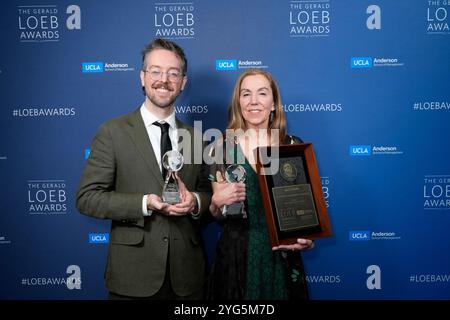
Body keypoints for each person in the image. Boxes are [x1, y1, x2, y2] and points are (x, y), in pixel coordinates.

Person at [76, 38, 211, 300]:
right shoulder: (112, 132)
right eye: (156, 71)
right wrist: (144, 203)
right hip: (132, 277)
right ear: (142, 77)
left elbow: (207, 193)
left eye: (174, 73)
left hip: (187, 278)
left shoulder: (197, 138)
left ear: (183, 82)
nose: (164, 80)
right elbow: (87, 198)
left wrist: (194, 202)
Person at [207, 69, 315, 300]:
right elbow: (217, 213)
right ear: (239, 102)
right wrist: (216, 203)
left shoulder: (292, 145)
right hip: (237, 255)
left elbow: (304, 211)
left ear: (274, 103)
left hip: (283, 254)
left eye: (262, 93)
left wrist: (307, 238)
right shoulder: (222, 147)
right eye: (246, 94)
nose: (254, 101)